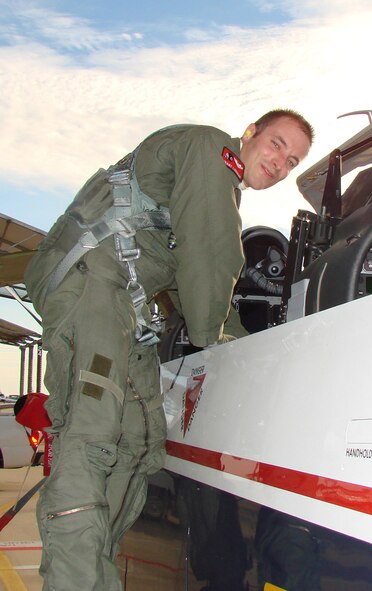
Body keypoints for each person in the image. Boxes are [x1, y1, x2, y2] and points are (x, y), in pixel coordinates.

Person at [24, 109, 314, 591]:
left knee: (139, 442)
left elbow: (187, 282)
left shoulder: (214, 182)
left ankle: (94, 572)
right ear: (249, 135)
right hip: (91, 284)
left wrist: (247, 345)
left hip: (122, 301)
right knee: (91, 435)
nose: (281, 163)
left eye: (293, 161)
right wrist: (213, 337)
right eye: (277, 144)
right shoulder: (210, 152)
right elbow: (212, 252)